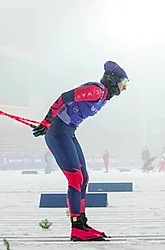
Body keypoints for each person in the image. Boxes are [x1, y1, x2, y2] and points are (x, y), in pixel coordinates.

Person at [32, 61, 128, 241]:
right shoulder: (95, 90)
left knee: (84, 177)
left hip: (68, 132)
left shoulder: (103, 96)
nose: (124, 88)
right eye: (124, 83)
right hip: (59, 132)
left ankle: (82, 223)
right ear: (113, 79)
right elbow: (64, 97)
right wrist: (47, 121)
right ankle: (76, 228)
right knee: (75, 178)